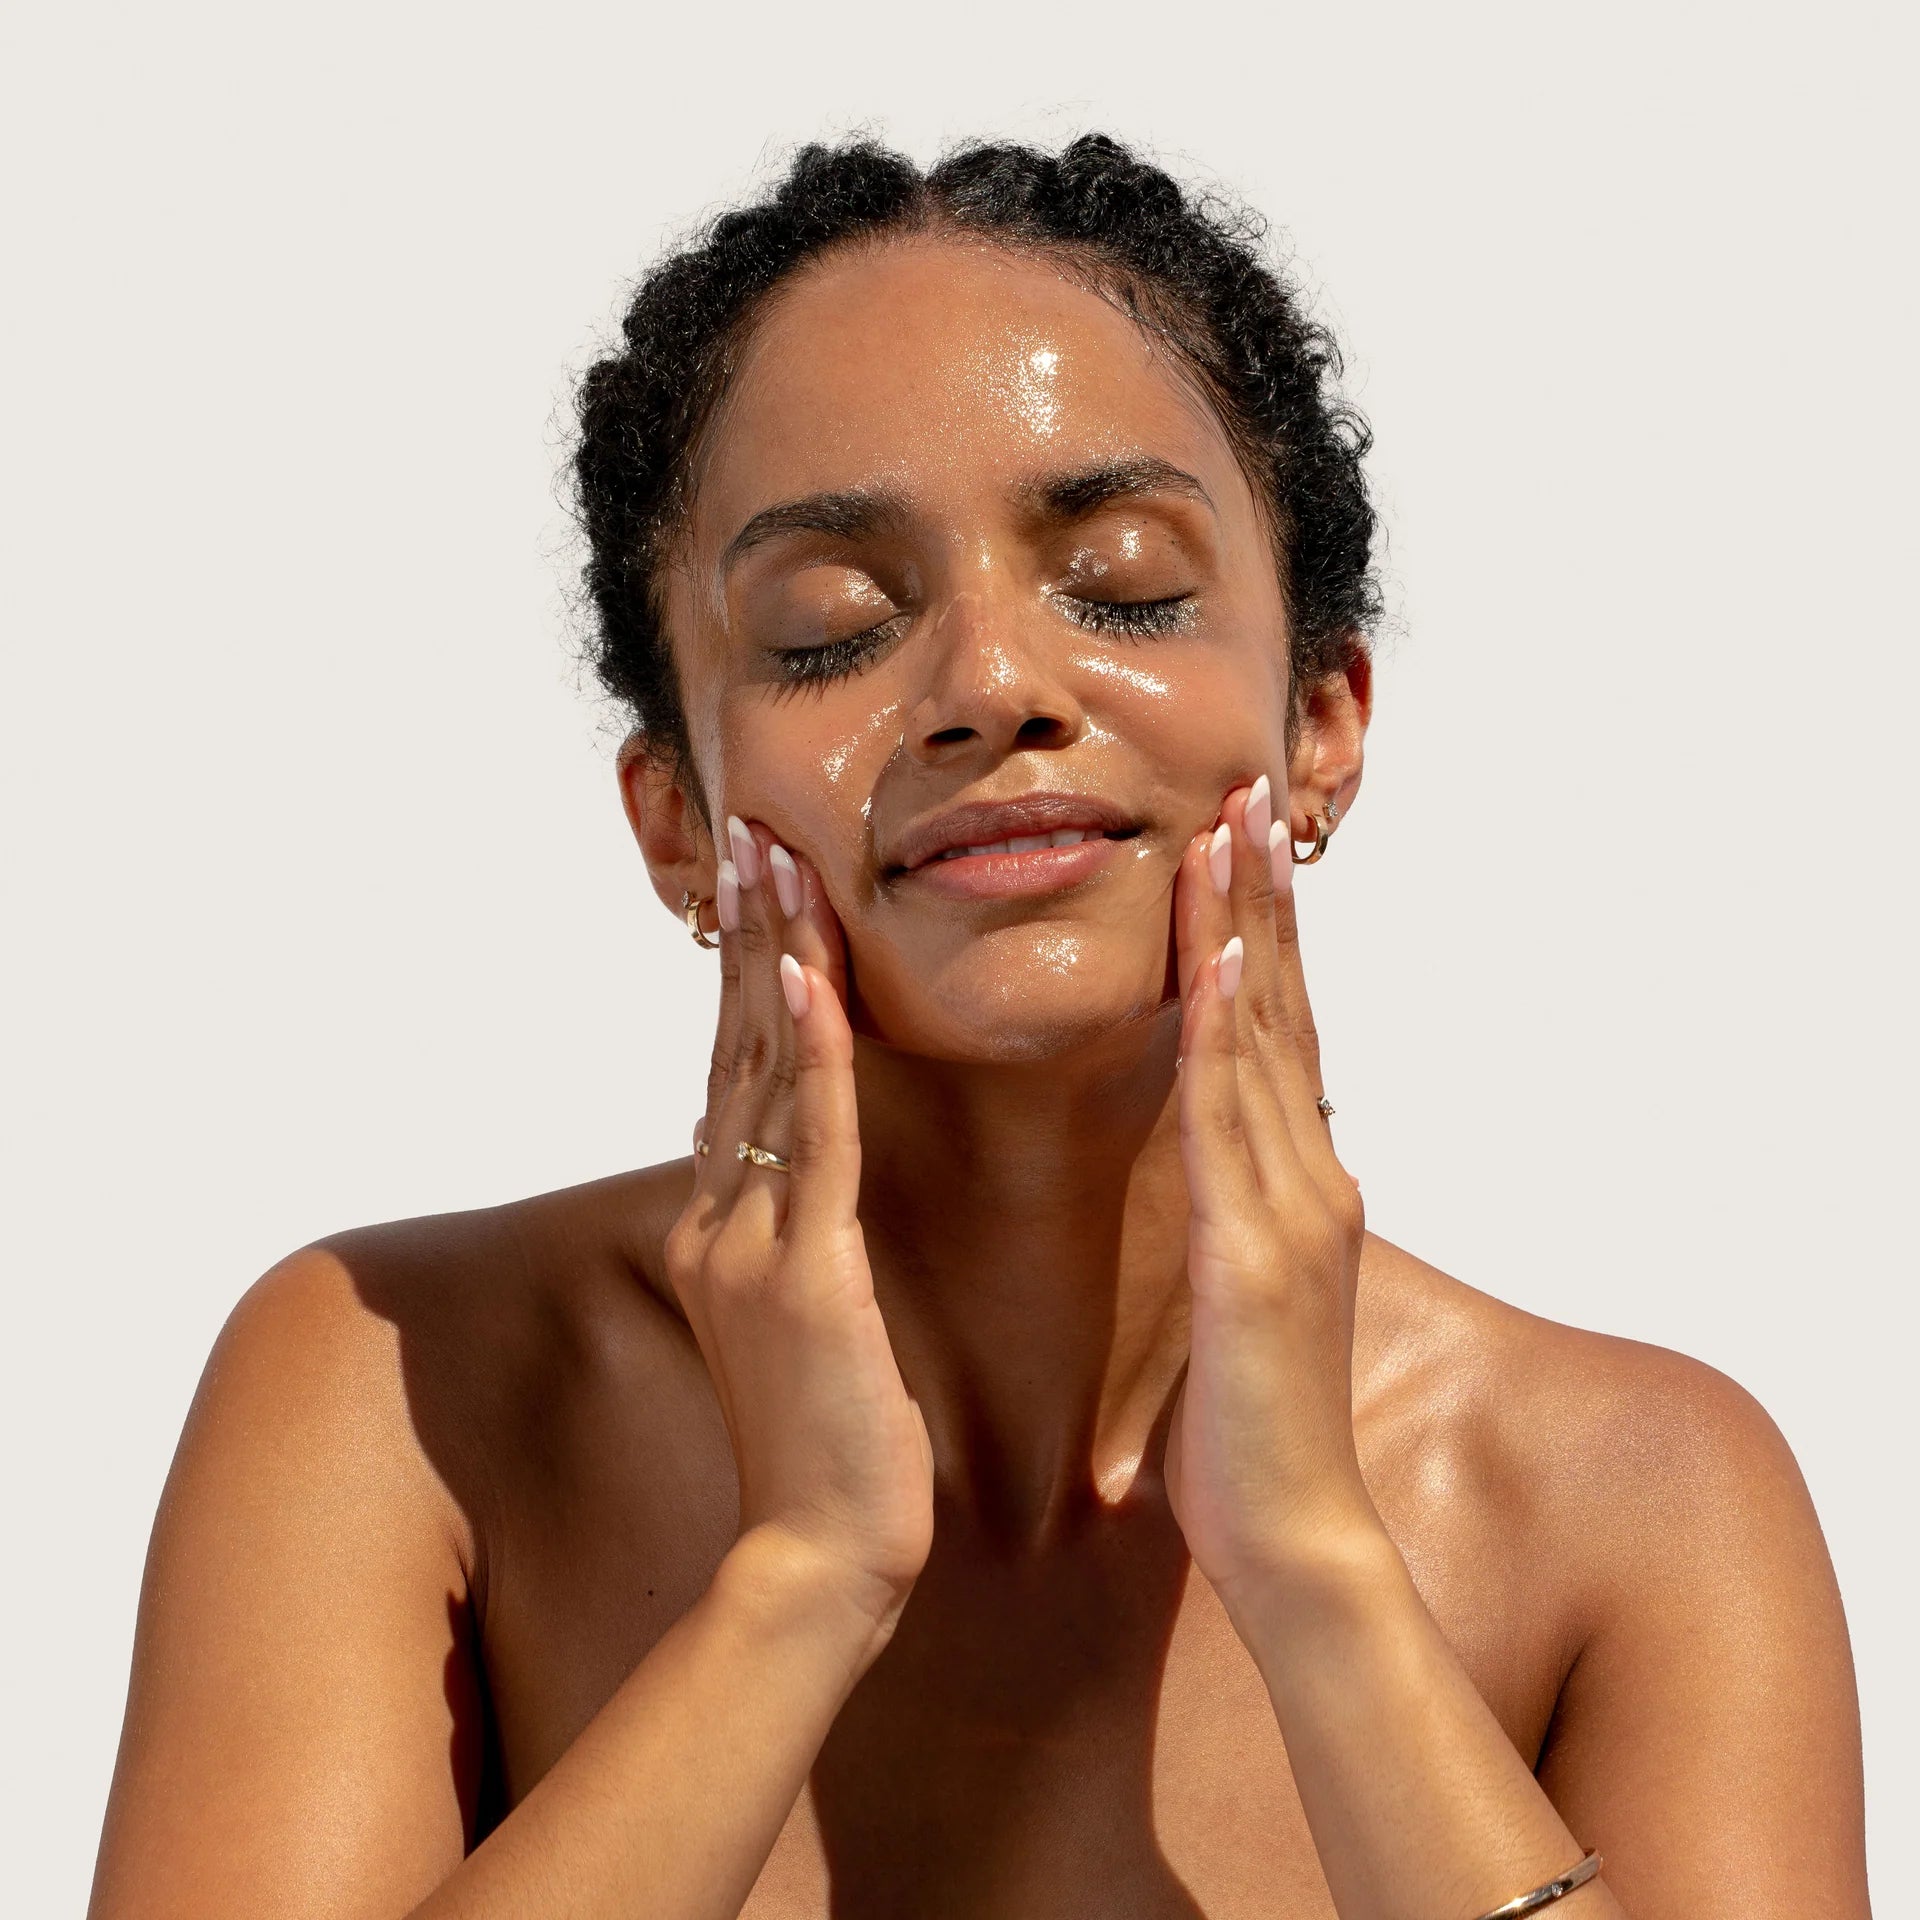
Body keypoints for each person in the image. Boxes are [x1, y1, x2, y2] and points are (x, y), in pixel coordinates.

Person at [86, 133, 1870, 1920]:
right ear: (676, 821)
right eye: (827, 627)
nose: (993, 687)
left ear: (1324, 722)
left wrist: (1322, 1572)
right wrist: (798, 1581)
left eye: (1126, 584)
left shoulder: (1640, 1501)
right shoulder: (398, 1394)